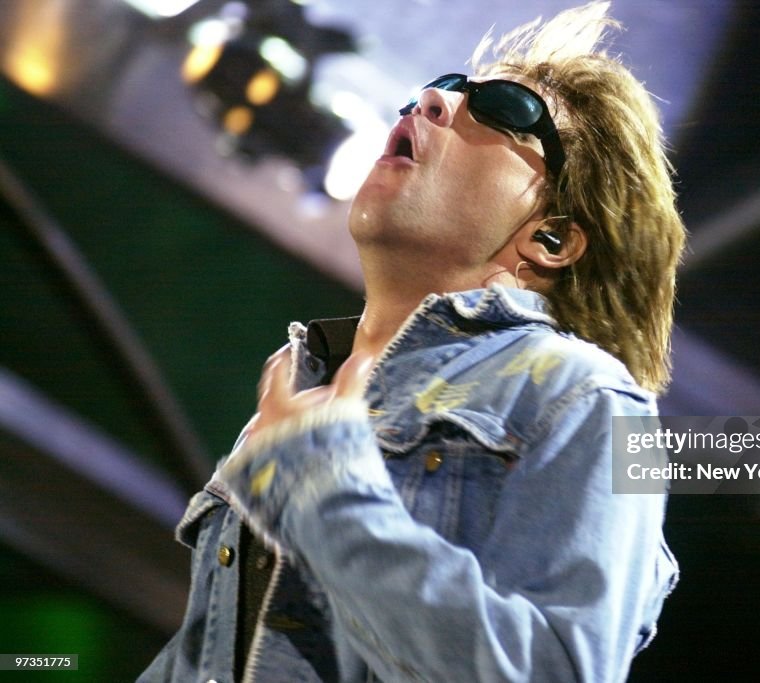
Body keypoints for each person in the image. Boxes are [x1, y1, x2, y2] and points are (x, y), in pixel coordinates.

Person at [140, 2, 685, 681]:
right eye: (445, 87)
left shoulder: (583, 396)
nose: (430, 98)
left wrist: (327, 493)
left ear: (551, 237)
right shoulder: (302, 389)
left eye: (506, 108)